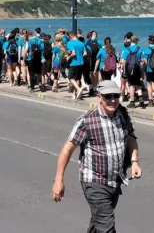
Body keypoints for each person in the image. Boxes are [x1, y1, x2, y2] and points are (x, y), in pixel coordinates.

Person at [53, 81, 141, 233]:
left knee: (98, 222)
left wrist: (134, 162)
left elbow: (131, 138)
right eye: (108, 96)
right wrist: (58, 181)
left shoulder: (123, 115)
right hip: (94, 181)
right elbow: (67, 150)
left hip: (114, 181)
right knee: (107, 226)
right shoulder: (87, 121)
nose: (113, 100)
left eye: (116, 96)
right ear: (99, 97)